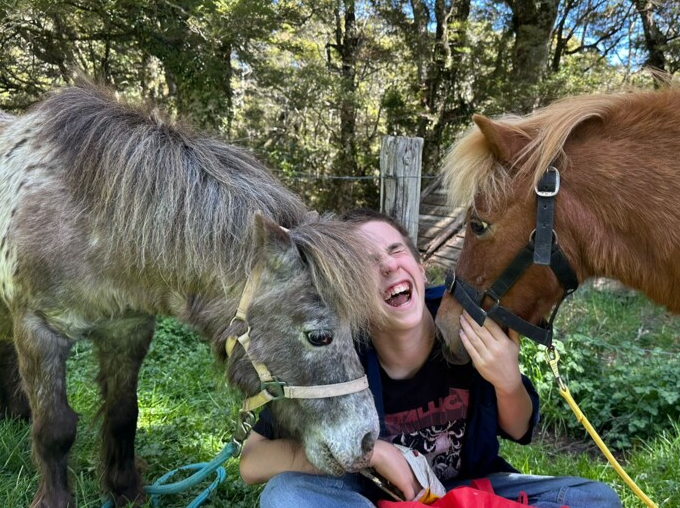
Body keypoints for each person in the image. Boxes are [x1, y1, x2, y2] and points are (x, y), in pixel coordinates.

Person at [239, 208, 622, 508]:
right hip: (373, 499)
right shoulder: (334, 353)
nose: (388, 266)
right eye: (368, 264)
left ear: (420, 271)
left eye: (395, 251)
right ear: (349, 295)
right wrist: (372, 453)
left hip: (468, 491)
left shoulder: (467, 325)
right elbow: (252, 462)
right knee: (286, 495)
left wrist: (506, 379)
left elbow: (519, 429)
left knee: (597, 499)